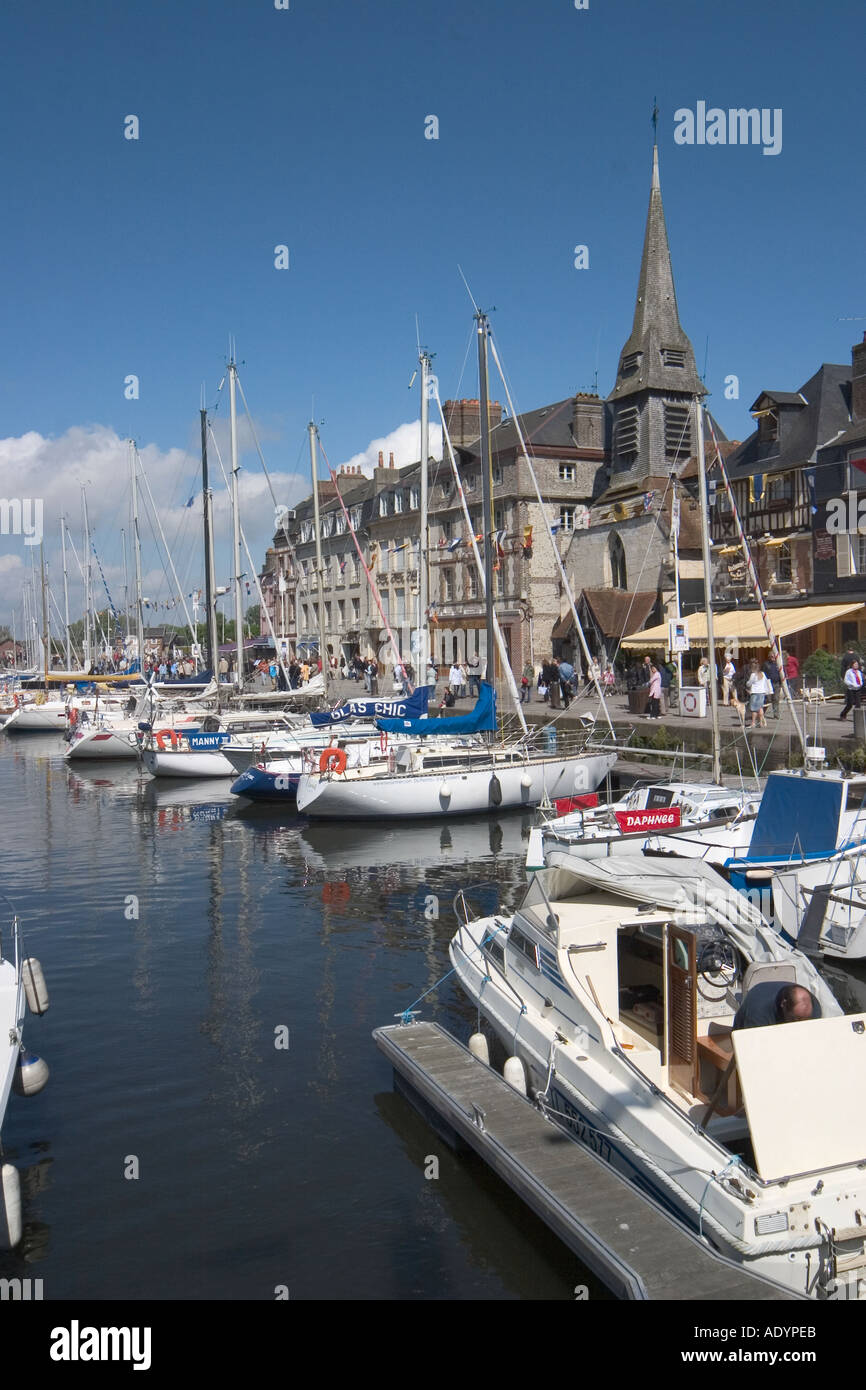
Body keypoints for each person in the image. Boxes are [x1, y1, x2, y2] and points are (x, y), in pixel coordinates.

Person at [733, 982, 821, 1031]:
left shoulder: (814, 1008)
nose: (801, 1024)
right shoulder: (758, 1010)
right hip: (748, 1032)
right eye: (797, 1019)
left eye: (806, 1019)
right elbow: (752, 1045)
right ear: (784, 1004)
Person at [747, 660, 770, 729]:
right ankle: (761, 723)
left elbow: (749, 683)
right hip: (762, 693)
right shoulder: (763, 674)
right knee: (760, 708)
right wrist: (767, 691)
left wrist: (747, 684)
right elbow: (766, 683)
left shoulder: (753, 675)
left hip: (755, 693)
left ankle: (753, 723)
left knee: (754, 709)